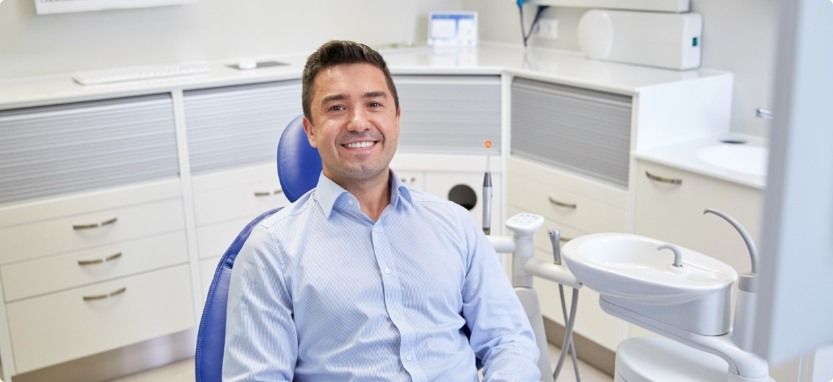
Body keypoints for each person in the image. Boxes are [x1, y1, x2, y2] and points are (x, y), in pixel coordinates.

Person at [223, 40, 541, 381]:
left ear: (396, 118)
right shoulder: (272, 250)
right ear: (311, 131)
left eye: (374, 104)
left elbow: (509, 340)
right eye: (336, 108)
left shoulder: (454, 225)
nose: (359, 122)